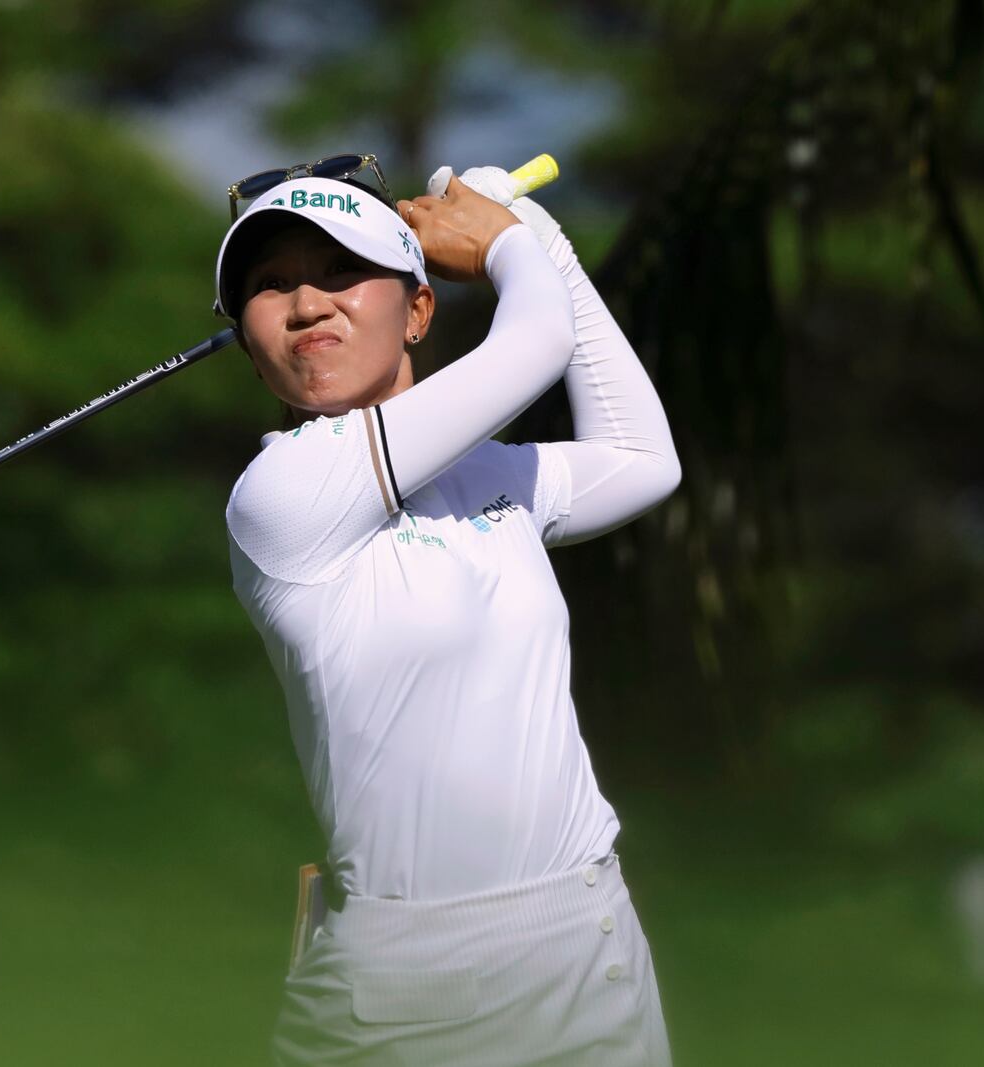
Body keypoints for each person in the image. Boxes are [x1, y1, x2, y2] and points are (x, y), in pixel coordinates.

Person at [214, 156, 681, 1066]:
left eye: (342, 271)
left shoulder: (490, 478)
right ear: (248, 338)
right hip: (417, 989)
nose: (308, 305)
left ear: (419, 309)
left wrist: (543, 241)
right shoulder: (282, 493)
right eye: (270, 288)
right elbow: (537, 339)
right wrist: (507, 246)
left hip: (596, 936)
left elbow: (641, 458)